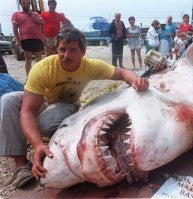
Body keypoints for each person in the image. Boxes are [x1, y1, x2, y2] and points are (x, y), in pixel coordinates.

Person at [0, 27, 149, 187]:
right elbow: (27, 111)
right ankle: (21, 165)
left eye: (73, 50)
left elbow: (122, 73)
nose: (66, 56)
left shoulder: (90, 66)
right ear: (56, 50)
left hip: (67, 104)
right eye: (62, 50)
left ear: (83, 52)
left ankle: (46, 142)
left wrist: (136, 81)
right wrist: (37, 145)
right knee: (8, 100)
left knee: (45, 124)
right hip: (44, 100)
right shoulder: (42, 69)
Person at [12, 0, 44, 76]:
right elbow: (15, 29)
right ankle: (29, 78)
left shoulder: (35, 13)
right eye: (23, 3)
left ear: (29, 4)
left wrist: (32, 14)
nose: (25, 5)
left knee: (39, 60)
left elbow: (42, 22)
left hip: (37, 39)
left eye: (27, 3)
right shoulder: (16, 14)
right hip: (25, 39)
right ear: (20, 4)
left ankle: (39, 77)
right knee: (28, 59)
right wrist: (18, 40)